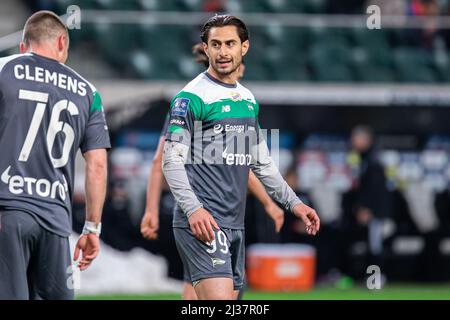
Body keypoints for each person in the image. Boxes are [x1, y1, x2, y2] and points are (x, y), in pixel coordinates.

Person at [161, 15, 320, 300]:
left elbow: (261, 162)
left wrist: (294, 204)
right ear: (206, 49)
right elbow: (170, 161)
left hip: (235, 224)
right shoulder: (190, 97)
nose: (223, 52)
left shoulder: (247, 99)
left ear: (244, 47)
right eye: (216, 44)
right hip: (203, 221)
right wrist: (194, 209)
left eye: (230, 43)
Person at [140, 42, 284, 300]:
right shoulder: (191, 103)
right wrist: (151, 209)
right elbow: (160, 160)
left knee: (198, 289)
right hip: (202, 211)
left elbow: (240, 165)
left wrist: (268, 203)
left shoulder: (232, 106)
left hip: (223, 213)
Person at [0, 11, 110, 299]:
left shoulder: (3, 69)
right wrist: (91, 227)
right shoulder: (89, 92)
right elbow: (97, 165)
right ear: (62, 42)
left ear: (24, 46)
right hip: (56, 224)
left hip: (7, 213)